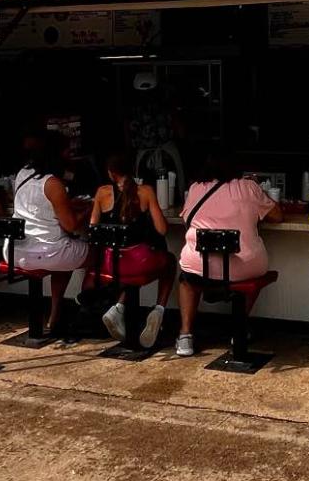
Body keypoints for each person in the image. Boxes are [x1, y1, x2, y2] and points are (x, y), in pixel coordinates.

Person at [175, 147, 281, 357]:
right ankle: (237, 329)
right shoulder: (249, 187)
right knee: (256, 273)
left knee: (187, 280)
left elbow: (185, 218)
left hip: (199, 264)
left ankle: (185, 335)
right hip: (242, 266)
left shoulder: (196, 188)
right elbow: (277, 216)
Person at [4, 131, 92, 335]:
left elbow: (40, 205)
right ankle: (88, 305)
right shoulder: (54, 183)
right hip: (45, 252)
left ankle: (56, 314)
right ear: (57, 154)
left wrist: (67, 204)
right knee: (97, 254)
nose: (71, 155)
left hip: (15, 252)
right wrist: (88, 209)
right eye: (68, 151)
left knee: (66, 254)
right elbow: (70, 226)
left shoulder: (23, 173)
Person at [90, 152, 177, 349]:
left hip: (110, 263)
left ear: (111, 173)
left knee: (127, 266)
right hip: (139, 261)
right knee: (169, 261)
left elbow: (93, 227)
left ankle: (119, 308)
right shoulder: (145, 191)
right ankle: (159, 310)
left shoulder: (102, 193)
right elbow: (162, 229)